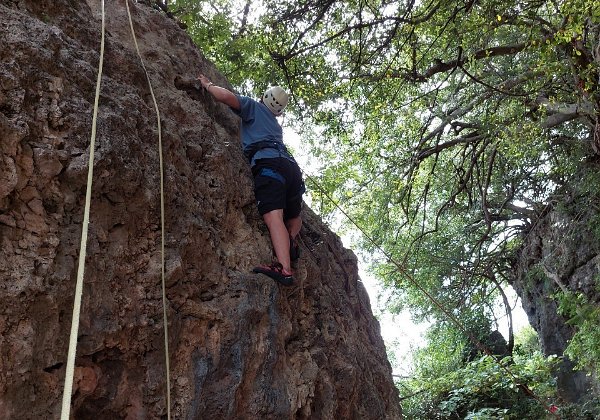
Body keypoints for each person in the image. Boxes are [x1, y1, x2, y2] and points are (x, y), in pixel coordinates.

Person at [197, 74, 305, 286]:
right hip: (291, 169)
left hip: (269, 165)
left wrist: (208, 85)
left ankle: (284, 268)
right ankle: (291, 237)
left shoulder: (254, 107)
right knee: (294, 215)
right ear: (279, 110)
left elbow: (226, 97)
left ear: (264, 97)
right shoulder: (276, 126)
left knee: (274, 216)